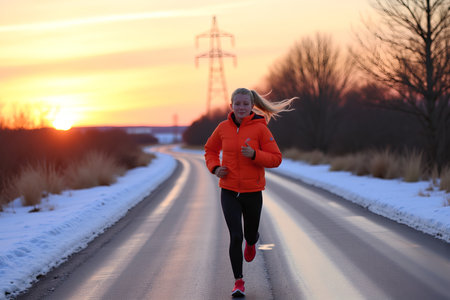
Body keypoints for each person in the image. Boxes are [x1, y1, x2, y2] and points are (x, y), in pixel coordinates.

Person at [204, 88, 296, 297]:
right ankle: (238, 282)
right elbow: (209, 150)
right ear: (231, 106)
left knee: (249, 234)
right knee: (235, 236)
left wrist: (255, 154)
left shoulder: (260, 129)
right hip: (228, 191)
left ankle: (252, 241)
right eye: (238, 104)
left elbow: (276, 158)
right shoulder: (222, 128)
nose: (242, 107)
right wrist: (215, 168)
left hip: (252, 191)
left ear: (252, 106)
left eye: (246, 104)